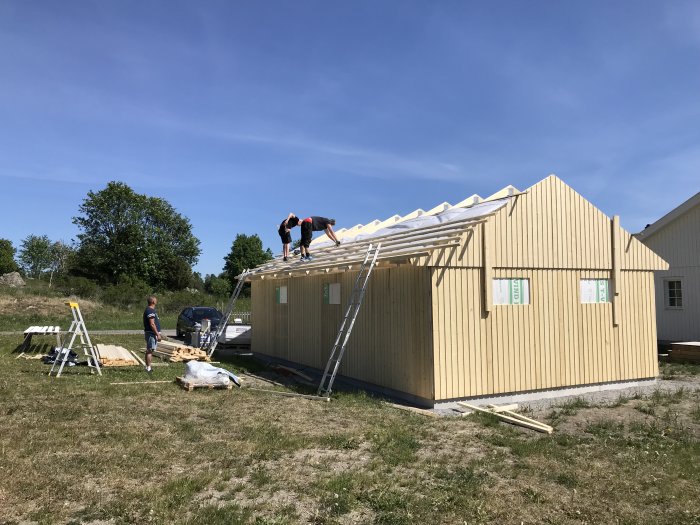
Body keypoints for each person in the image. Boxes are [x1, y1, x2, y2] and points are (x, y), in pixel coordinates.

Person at [143, 295, 161, 374]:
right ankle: (148, 368)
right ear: (153, 301)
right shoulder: (150, 310)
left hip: (151, 333)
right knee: (150, 350)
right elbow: (152, 324)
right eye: (156, 300)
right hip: (151, 333)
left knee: (150, 350)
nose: (156, 301)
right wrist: (157, 334)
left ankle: (148, 367)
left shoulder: (150, 310)